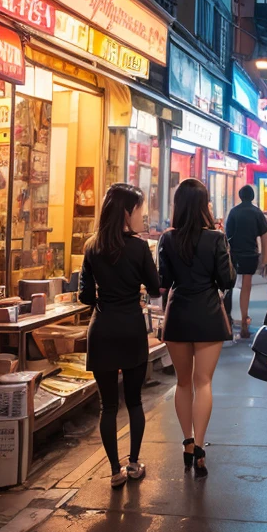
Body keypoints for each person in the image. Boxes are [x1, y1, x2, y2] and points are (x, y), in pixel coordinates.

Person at [79, 184, 160, 488]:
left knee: (107, 406)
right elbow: (154, 288)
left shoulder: (91, 246)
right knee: (135, 401)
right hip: (131, 329)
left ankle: (115, 472)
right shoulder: (139, 248)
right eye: (139, 209)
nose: (142, 215)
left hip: (101, 331)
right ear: (127, 213)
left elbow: (85, 297)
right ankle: (134, 464)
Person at [158, 178, 235, 477]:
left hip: (177, 313)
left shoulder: (167, 239)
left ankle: (187, 442)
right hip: (208, 314)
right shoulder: (215, 238)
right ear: (204, 205)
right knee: (203, 382)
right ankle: (200, 446)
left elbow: (163, 281)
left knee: (183, 382)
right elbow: (227, 280)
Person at [224, 184, 267, 338]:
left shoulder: (233, 212)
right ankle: (244, 319)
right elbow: (264, 238)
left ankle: (227, 319)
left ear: (240, 195)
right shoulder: (257, 213)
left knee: (229, 286)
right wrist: (265, 259)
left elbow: (226, 235)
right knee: (246, 286)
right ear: (252, 197)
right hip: (250, 255)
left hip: (234, 254)